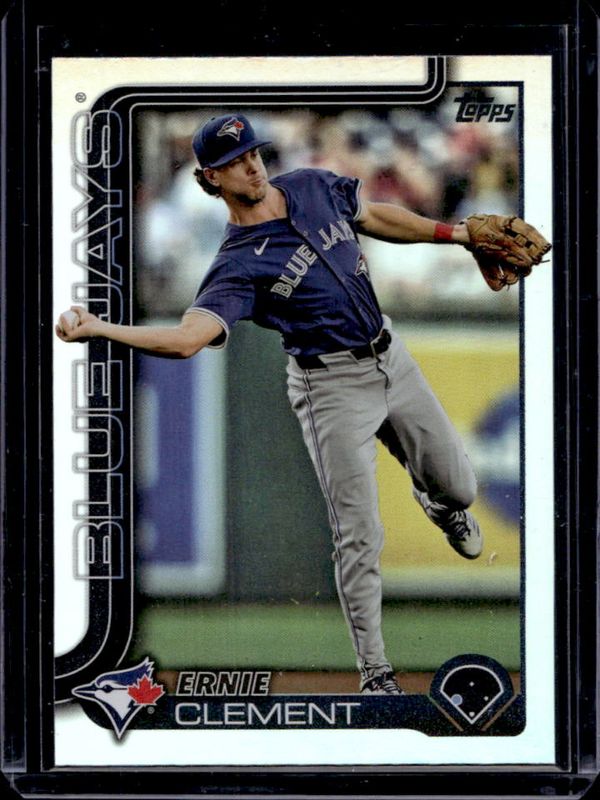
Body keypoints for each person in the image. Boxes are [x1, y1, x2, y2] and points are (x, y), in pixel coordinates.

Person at [56, 113, 483, 696]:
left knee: (460, 488)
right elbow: (186, 340)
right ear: (211, 178)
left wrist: (454, 234)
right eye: (234, 162)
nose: (252, 166)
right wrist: (102, 328)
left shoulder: (310, 185)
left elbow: (375, 216)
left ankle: (439, 505)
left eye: (253, 153)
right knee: (358, 533)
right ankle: (376, 674)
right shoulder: (236, 264)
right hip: (329, 386)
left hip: (392, 355)